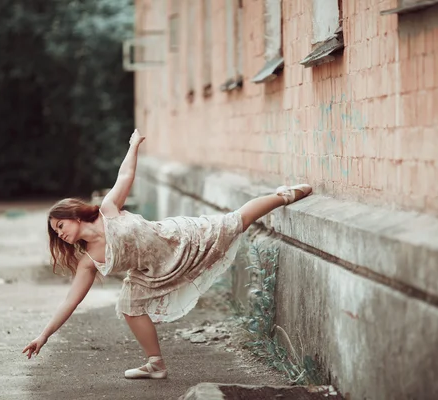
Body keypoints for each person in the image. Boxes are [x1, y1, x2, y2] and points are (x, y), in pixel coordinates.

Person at [22, 129, 312, 379]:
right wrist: (43, 336)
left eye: (60, 225)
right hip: (152, 273)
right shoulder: (89, 262)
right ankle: (155, 364)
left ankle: (284, 195)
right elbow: (71, 300)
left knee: (234, 223)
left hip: (177, 239)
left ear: (74, 215)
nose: (60, 234)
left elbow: (125, 174)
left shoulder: (107, 211)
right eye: (56, 232)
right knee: (129, 304)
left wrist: (133, 146)